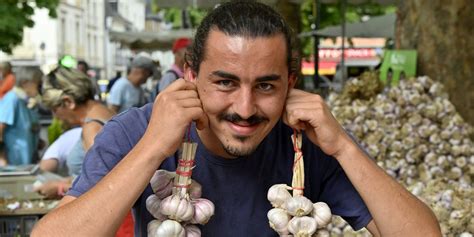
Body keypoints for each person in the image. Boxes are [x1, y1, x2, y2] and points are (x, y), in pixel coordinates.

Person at [32, 2, 440, 237]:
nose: (244, 108)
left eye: (265, 86)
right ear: (190, 74)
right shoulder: (136, 130)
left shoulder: (309, 141)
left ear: (290, 83)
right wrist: (153, 147)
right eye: (225, 82)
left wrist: (344, 148)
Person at [33, 67, 115, 198]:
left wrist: (59, 188)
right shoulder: (107, 113)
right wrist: (66, 181)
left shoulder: (92, 127)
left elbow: (102, 183)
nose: (56, 117)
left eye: (55, 109)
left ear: (68, 102)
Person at [0, 67, 42, 165]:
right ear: (26, 83)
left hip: (26, 162)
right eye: (38, 83)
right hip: (12, 163)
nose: (41, 87)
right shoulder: (13, 98)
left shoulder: (27, 101)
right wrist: (1, 157)